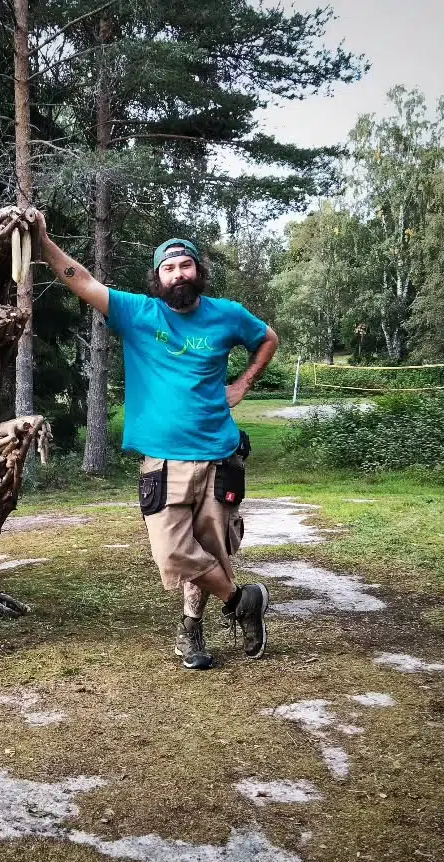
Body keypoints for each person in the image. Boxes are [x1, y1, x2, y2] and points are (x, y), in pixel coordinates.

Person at [32, 211, 280, 670]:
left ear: (198, 272)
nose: (178, 273)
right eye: (169, 267)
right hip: (163, 460)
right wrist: (44, 243)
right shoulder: (139, 315)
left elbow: (268, 337)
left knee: (215, 548)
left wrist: (244, 382)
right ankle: (242, 601)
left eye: (185, 265)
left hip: (219, 453)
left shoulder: (227, 315)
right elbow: (82, 281)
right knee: (172, 551)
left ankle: (192, 632)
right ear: (158, 278)